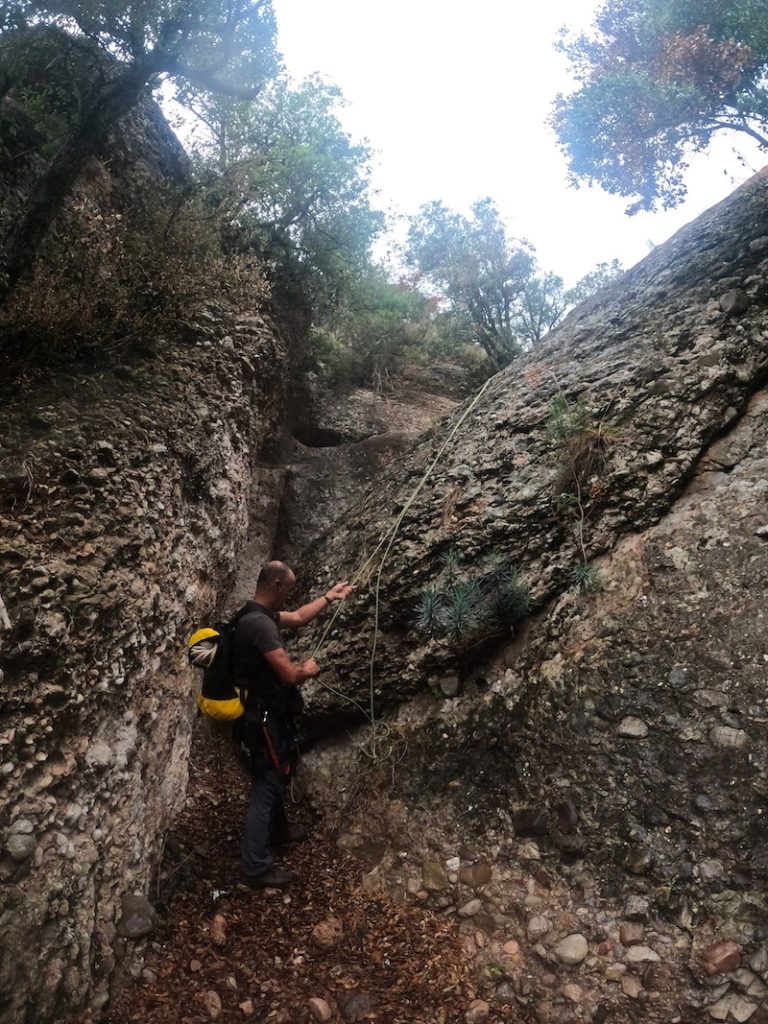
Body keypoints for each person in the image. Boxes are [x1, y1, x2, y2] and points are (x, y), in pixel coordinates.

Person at [232, 560, 354, 888]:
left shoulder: (250, 614)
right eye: (288, 588)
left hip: (257, 716)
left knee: (273, 777)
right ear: (275, 587)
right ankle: (255, 868)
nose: (290, 594)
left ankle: (279, 832)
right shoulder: (260, 626)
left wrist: (330, 597)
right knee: (267, 784)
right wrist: (308, 670)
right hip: (262, 720)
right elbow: (289, 675)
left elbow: (299, 617)